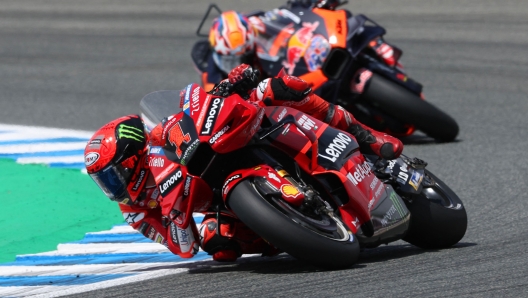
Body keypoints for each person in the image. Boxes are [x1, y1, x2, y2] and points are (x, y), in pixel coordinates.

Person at [84, 64, 402, 262]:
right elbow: (183, 247)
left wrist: (228, 87)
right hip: (223, 204)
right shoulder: (135, 211)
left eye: (115, 175)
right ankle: (297, 229)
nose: (113, 187)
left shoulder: (157, 135)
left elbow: (194, 109)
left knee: (277, 87)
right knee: (217, 244)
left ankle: (367, 136)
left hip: (234, 141)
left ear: (136, 156)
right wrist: (175, 212)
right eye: (104, 181)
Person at [201, 10, 260, 92]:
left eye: (243, 58)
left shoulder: (260, 49)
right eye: (229, 60)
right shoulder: (210, 74)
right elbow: (210, 95)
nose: (236, 67)